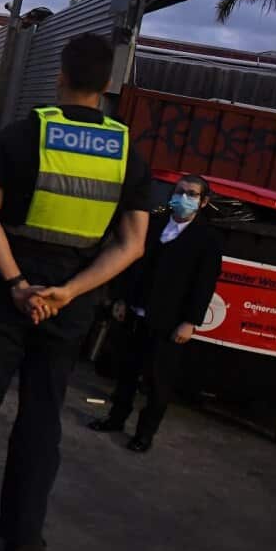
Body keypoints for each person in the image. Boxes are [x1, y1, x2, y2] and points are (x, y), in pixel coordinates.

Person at [0, 33, 151, 551]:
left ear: (61, 77)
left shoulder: (25, 135)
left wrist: (16, 285)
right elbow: (133, 244)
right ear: (109, 84)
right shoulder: (127, 152)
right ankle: (23, 537)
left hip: (8, 292)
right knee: (41, 418)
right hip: (71, 301)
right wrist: (69, 291)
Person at [88, 174, 223, 452]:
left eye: (192, 194)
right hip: (136, 313)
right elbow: (132, 261)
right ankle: (115, 418)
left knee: (158, 382)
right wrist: (121, 299)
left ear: (203, 201)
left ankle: (144, 434)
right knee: (126, 372)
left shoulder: (207, 239)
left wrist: (189, 322)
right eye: (180, 191)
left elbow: (204, 284)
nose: (184, 198)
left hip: (168, 322)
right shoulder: (154, 224)